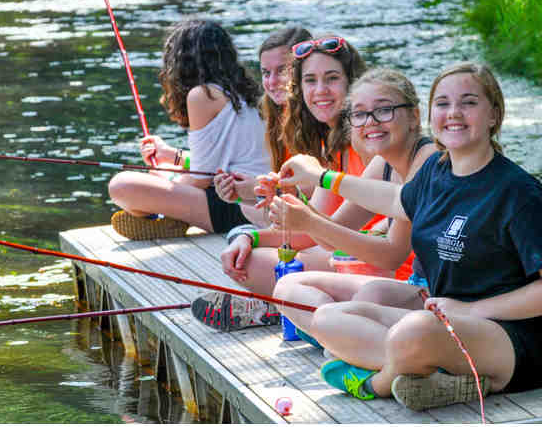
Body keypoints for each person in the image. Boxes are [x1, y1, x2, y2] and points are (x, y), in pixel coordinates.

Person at [270, 62, 542, 411]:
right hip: (443, 320)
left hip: (514, 338)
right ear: (431, 115)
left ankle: (378, 381)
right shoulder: (436, 170)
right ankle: (429, 375)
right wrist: (322, 178)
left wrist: (471, 309)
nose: (454, 113)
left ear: (494, 115)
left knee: (413, 332)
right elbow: (394, 200)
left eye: (468, 102)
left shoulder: (518, 191)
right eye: (443, 103)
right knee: (328, 319)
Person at [191, 35, 369, 329]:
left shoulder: (366, 140)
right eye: (310, 81)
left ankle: (279, 307)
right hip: (342, 252)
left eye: (332, 78)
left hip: (369, 266)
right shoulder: (331, 143)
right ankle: (287, 306)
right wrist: (251, 237)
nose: (320, 90)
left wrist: (284, 205)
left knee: (261, 261)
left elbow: (326, 232)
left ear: (352, 82)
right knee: (247, 249)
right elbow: (317, 227)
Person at [270, 67, 437, 345]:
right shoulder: (383, 163)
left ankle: (341, 338)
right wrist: (293, 202)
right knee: (288, 287)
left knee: (371, 296)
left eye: (384, 110)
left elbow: (391, 255)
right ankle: (341, 336)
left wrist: (316, 194)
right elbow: (329, 238)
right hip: (409, 290)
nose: (370, 122)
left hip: (436, 295)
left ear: (414, 116)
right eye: (359, 114)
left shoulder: (428, 158)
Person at [107, 19, 271, 239]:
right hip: (253, 197)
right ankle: (174, 214)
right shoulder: (244, 91)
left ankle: (172, 215)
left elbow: (201, 179)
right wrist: (171, 156)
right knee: (161, 169)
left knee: (121, 185)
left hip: (234, 205)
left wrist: (168, 182)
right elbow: (215, 165)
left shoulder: (202, 95)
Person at [212, 26, 312, 227]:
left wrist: (256, 187)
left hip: (325, 215)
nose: (272, 82)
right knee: (246, 206)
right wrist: (237, 193)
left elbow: (319, 188)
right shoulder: (276, 116)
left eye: (282, 70)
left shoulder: (317, 116)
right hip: (301, 210)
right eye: (266, 73)